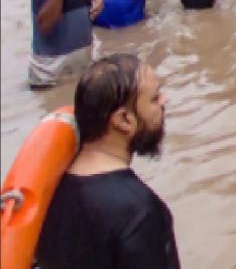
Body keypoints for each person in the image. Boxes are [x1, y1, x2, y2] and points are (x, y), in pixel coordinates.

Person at [35, 54, 179, 269]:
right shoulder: (140, 212)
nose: (164, 101)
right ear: (123, 120)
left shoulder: (52, 190)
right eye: (154, 98)